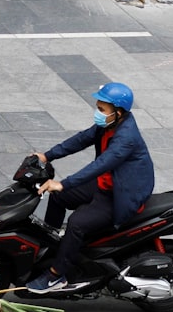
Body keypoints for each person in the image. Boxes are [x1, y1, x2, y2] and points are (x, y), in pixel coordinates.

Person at [27, 82, 155, 293]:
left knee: (76, 223)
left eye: (102, 109)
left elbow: (100, 165)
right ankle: (51, 248)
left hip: (120, 194)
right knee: (59, 198)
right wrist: (47, 155)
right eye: (98, 107)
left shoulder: (125, 138)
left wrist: (63, 183)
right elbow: (81, 139)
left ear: (118, 112)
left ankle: (56, 276)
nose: (98, 113)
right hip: (107, 182)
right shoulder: (109, 125)